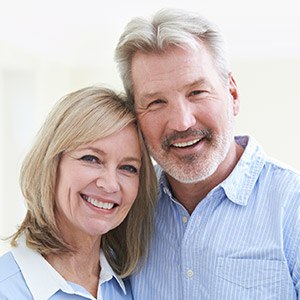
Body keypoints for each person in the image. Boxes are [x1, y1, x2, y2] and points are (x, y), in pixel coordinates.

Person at [115, 8, 300, 299]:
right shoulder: (127, 209)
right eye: (156, 102)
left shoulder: (293, 207)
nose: (182, 122)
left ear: (232, 94)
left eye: (197, 93)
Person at [0, 86, 157, 299]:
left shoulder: (133, 284)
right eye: (91, 159)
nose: (110, 184)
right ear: (52, 164)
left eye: (128, 168)